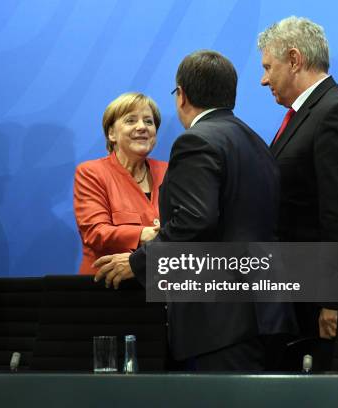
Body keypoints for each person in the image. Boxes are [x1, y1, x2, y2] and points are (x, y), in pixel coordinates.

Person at [94, 50, 296, 371]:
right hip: (268, 314)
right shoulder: (257, 142)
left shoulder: (196, 141)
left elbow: (195, 221)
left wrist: (140, 261)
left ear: (182, 96)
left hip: (220, 322)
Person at [257, 16, 338, 366]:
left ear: (294, 60)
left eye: (268, 67)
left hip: (322, 303)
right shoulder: (308, 113)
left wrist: (335, 301)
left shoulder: (337, 113)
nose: (263, 80)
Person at [74, 92, 168, 275]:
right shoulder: (92, 173)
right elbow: (95, 232)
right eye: (131, 120)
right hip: (109, 287)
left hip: (160, 285)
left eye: (149, 121)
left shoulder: (170, 171)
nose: (142, 127)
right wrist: (144, 234)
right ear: (111, 133)